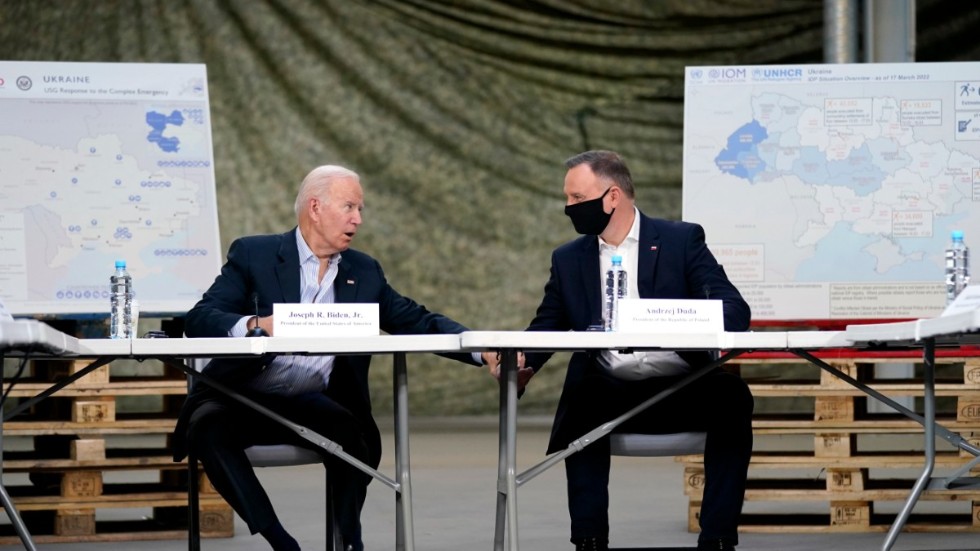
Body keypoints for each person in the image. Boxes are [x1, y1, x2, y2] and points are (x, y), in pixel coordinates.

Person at [172, 165, 498, 551]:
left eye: (360, 209)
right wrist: (259, 325)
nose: (358, 219)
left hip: (309, 401)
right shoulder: (253, 254)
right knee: (207, 426)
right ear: (315, 207)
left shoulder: (364, 271)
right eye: (349, 207)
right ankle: (280, 541)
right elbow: (202, 317)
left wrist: (479, 348)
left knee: (353, 434)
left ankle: (346, 541)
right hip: (242, 396)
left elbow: (416, 320)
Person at [511, 150, 753, 551]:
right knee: (581, 397)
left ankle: (718, 540)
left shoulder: (681, 240)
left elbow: (733, 310)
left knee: (732, 396)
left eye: (576, 198)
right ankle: (589, 541)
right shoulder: (569, 259)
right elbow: (548, 324)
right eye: (567, 198)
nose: (568, 208)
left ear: (613, 197)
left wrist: (667, 323)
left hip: (682, 384)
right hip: (609, 392)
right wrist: (523, 363)